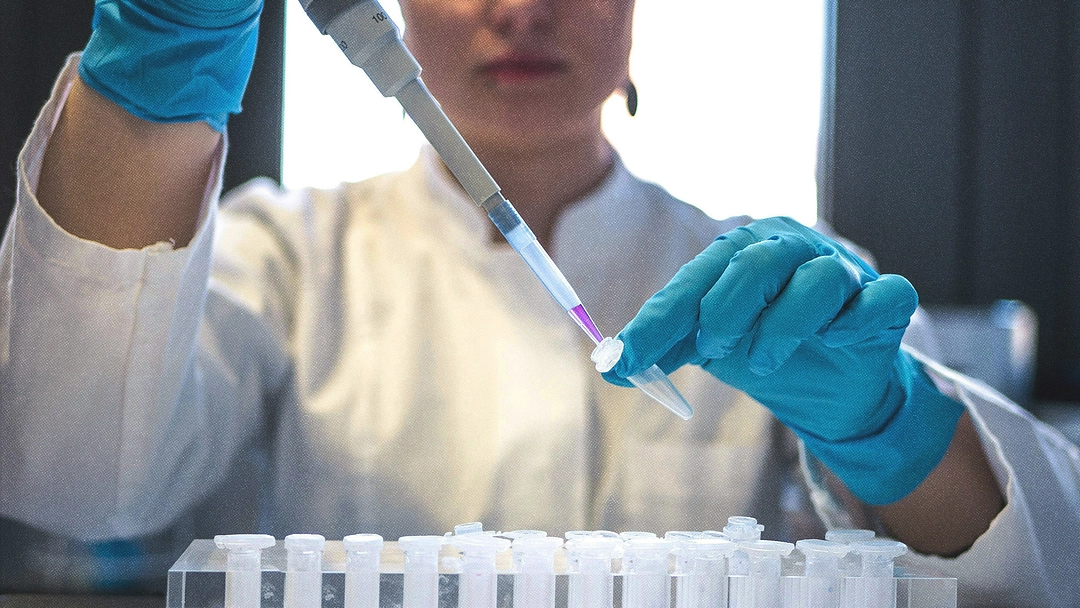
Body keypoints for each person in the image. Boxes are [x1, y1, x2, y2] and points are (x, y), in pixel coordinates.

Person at [0, 0, 1077, 605]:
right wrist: (148, 90)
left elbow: (1040, 567)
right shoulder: (285, 252)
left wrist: (894, 428)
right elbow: (74, 478)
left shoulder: (774, 281)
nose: (520, 9)